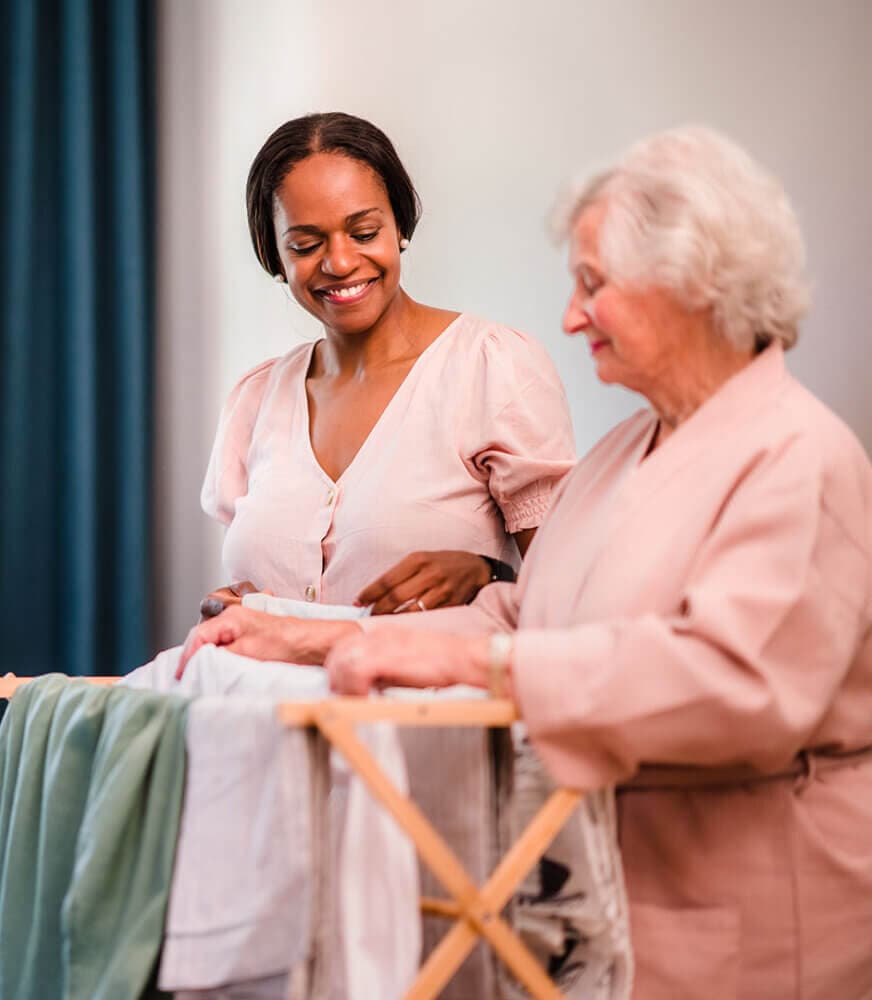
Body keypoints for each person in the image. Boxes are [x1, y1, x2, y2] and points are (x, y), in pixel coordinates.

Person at [181, 126, 872, 999]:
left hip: (760, 922)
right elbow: (524, 613)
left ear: (694, 287)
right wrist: (306, 640)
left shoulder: (797, 457)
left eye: (593, 286)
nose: (571, 315)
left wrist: (484, 657)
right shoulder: (627, 452)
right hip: (611, 908)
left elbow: (737, 686)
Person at [195, 112, 574, 624]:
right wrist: (232, 611)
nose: (340, 262)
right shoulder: (255, 399)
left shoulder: (490, 367)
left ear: (400, 227)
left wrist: (489, 574)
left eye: (364, 231)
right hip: (266, 701)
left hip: (430, 704)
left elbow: (572, 594)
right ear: (275, 257)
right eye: (305, 245)